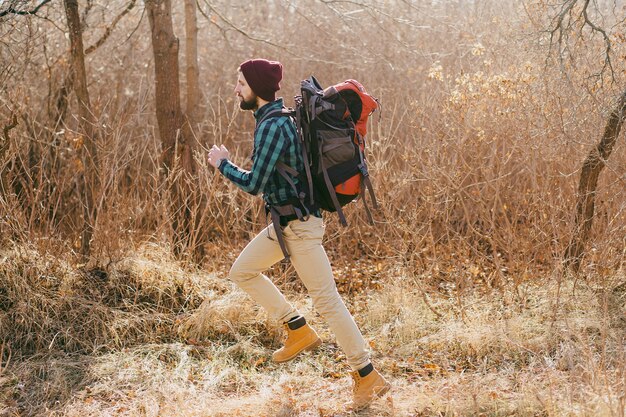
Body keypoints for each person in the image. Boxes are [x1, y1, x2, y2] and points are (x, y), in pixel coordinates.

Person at [207, 58, 390, 410]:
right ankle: (297, 328)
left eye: (240, 83)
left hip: (301, 228)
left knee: (328, 302)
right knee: (242, 271)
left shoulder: (272, 126)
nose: (236, 89)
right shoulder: (272, 120)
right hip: (285, 226)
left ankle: (367, 375)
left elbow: (254, 183)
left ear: (257, 89)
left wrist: (222, 164)